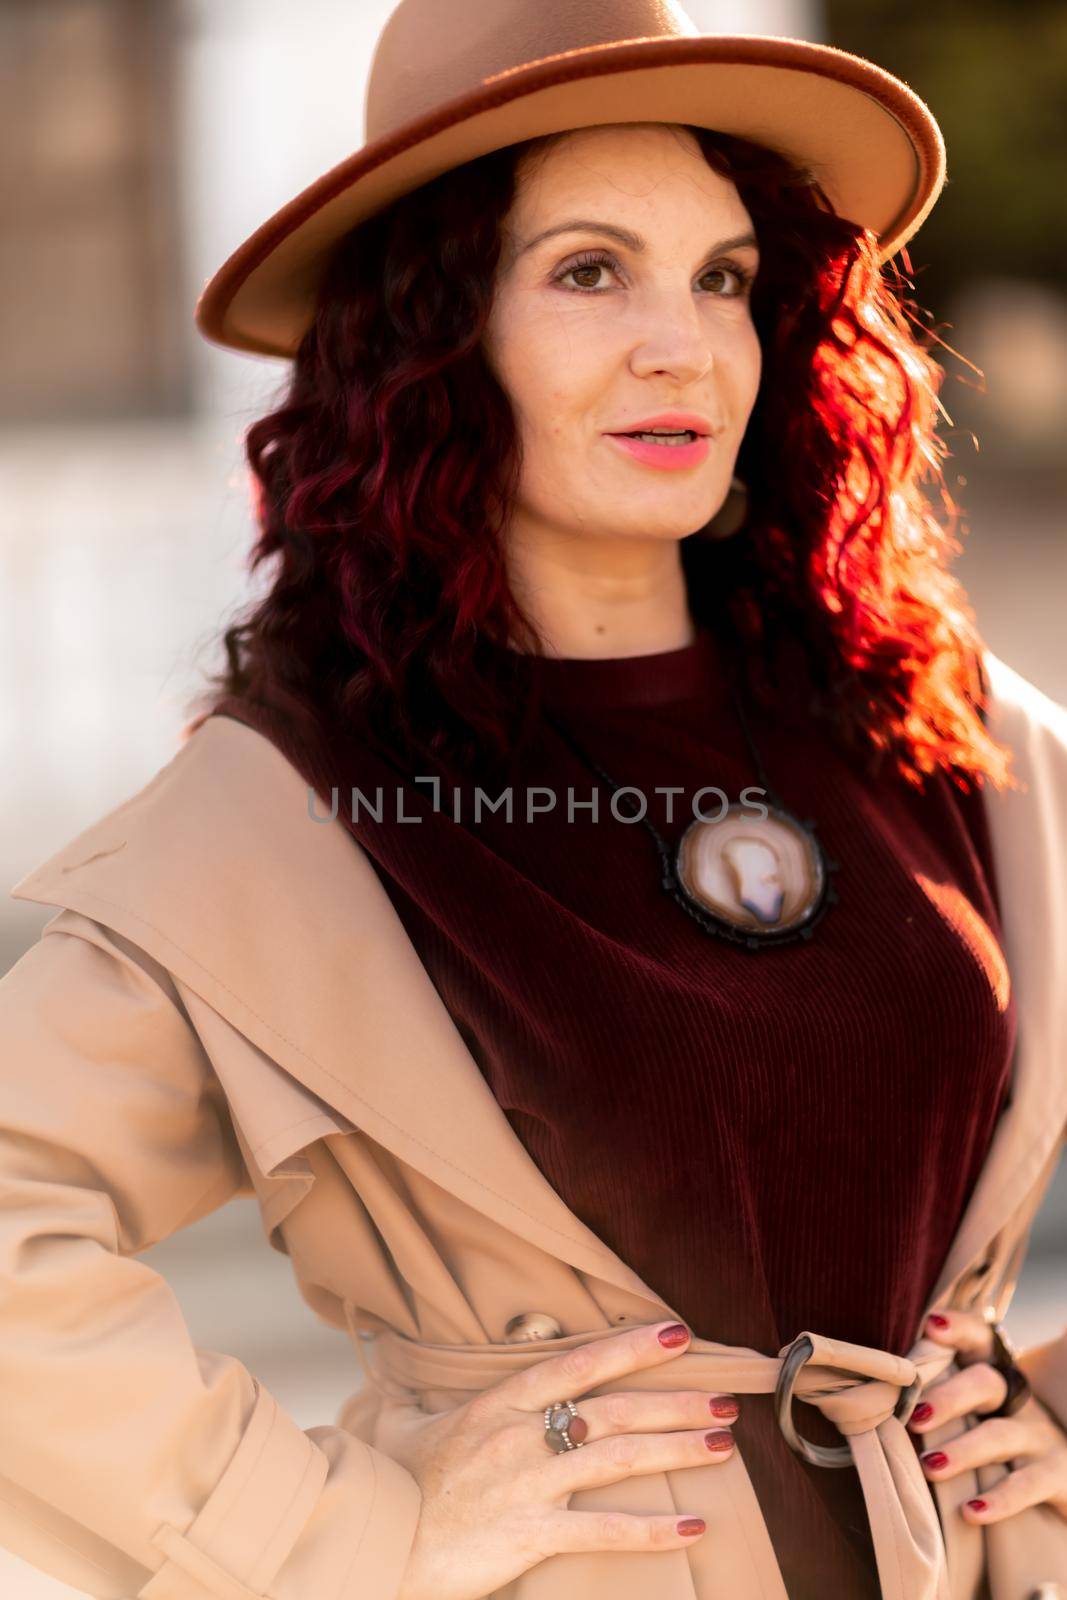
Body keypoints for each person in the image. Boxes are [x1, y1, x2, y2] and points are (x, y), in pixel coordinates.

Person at [2, 4, 1066, 1600]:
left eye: (722, 277)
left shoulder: (947, 726)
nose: (683, 343)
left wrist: (1056, 1399)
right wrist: (344, 1537)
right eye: (589, 272)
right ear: (430, 341)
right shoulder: (285, 817)